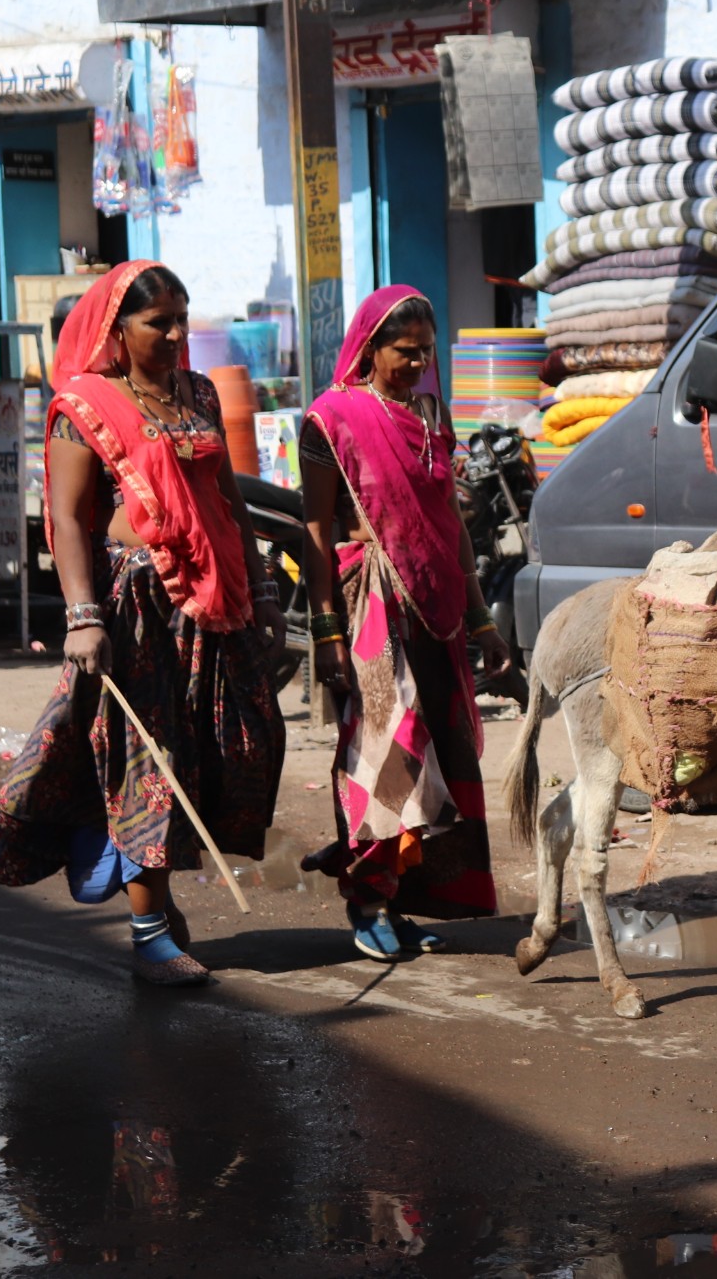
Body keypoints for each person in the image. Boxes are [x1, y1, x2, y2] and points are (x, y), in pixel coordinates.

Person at [0, 260, 287, 986]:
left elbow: (228, 500)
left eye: (183, 319)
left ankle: (161, 905)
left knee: (239, 743)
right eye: (161, 322)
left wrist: (265, 587)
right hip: (138, 611)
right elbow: (63, 517)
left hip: (216, 603)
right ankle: (150, 932)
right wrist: (83, 618)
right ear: (117, 330)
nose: (178, 335)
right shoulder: (82, 406)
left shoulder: (199, 394)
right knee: (151, 763)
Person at [299, 286, 506, 959]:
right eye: (403, 352)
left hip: (436, 605)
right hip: (372, 606)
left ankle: (407, 901)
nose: (417, 364)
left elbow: (451, 523)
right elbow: (316, 533)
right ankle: (367, 899)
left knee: (441, 750)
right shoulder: (332, 420)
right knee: (388, 747)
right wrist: (326, 631)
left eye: (425, 352)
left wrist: (480, 620)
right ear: (369, 347)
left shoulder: (428, 414)